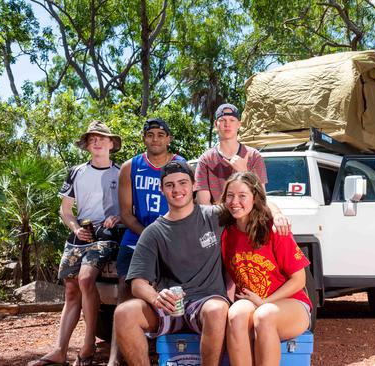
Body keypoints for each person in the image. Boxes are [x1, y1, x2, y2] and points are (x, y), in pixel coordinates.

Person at [113, 160, 229, 366]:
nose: (177, 189)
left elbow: (248, 206)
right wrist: (157, 297)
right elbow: (138, 283)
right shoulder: (153, 232)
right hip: (170, 307)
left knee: (217, 310)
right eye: (170, 185)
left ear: (194, 185)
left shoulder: (214, 216)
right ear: (161, 189)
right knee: (124, 313)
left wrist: (278, 216)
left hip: (205, 303)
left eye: (183, 182)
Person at [30, 121, 122, 366]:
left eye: (102, 138)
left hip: (106, 234)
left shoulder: (121, 172)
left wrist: (119, 217)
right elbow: (66, 210)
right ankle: (60, 350)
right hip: (80, 231)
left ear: (111, 144)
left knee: (85, 279)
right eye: (92, 138)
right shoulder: (76, 171)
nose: (97, 141)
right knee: (71, 291)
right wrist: (76, 228)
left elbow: (130, 207)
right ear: (87, 144)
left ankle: (88, 345)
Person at [110, 117, 185, 366]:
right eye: (150, 134)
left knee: (177, 291)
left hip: (172, 238)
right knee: (125, 291)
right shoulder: (130, 167)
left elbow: (187, 205)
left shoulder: (179, 165)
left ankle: (172, 352)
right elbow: (125, 213)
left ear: (168, 139)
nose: (155, 139)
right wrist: (149, 236)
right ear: (144, 138)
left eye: (160, 135)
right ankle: (115, 357)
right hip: (137, 236)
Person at [220, 172, 311, 366]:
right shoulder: (226, 233)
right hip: (252, 300)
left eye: (242, 195)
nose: (235, 201)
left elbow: (299, 280)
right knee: (235, 315)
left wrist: (264, 301)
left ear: (255, 198)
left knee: (265, 315)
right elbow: (230, 275)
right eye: (230, 195)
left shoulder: (274, 230)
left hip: (290, 303)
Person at [195, 103, 267, 205]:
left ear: (239, 124)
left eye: (232, 120)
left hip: (248, 220)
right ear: (216, 124)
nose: (227, 124)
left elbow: (261, 200)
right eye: (223, 120)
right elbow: (204, 205)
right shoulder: (206, 160)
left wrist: (245, 172)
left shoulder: (253, 156)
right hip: (217, 219)